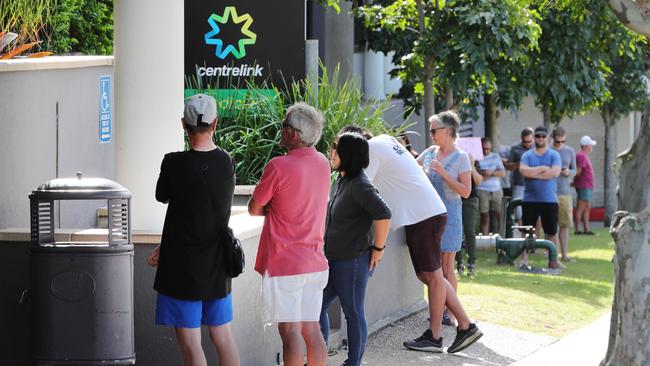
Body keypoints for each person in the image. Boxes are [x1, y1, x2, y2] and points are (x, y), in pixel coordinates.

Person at [348, 117, 483, 354]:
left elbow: (359, 186)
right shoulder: (387, 140)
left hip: (423, 216)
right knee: (430, 276)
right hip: (426, 213)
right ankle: (465, 325)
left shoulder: (370, 150)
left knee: (432, 277)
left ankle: (437, 336)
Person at [148, 94, 240, 366]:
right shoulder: (227, 162)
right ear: (215, 123)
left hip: (182, 265)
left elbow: (162, 196)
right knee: (223, 337)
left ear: (183, 125)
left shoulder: (174, 163)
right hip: (218, 263)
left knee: (190, 344)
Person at [248, 102, 330, 366]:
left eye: (284, 126)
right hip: (315, 261)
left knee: (290, 331)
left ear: (294, 134)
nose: (280, 131)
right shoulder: (322, 163)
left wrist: (273, 209)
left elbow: (254, 208)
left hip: (286, 264)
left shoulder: (278, 166)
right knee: (312, 329)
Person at [319, 132, 392, 366]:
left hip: (351, 261)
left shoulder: (360, 185)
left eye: (336, 148)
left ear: (348, 155)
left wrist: (378, 249)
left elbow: (384, 213)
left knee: (353, 313)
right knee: (317, 306)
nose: (332, 152)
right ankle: (317, 356)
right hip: (335, 259)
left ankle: (353, 363)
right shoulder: (342, 179)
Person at [417, 112, 472, 326]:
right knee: (434, 266)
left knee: (446, 265)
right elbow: (413, 168)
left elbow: (466, 192)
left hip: (450, 215)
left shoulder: (461, 158)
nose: (431, 134)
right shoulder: (430, 153)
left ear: (447, 131)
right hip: (430, 214)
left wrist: (445, 175)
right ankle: (439, 311)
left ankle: (449, 313)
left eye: (434, 130)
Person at [519, 126, 561, 269]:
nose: (540, 139)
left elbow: (555, 173)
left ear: (548, 137)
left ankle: (554, 260)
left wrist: (534, 173)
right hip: (530, 200)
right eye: (537, 136)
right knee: (526, 231)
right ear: (534, 137)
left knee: (551, 232)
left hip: (549, 200)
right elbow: (524, 171)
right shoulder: (527, 155)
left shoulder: (554, 155)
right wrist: (543, 168)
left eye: (543, 136)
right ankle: (523, 260)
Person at [551, 126, 576, 262]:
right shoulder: (548, 151)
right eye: (557, 142)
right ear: (553, 138)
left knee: (564, 224)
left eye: (563, 141)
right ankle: (552, 254)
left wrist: (568, 172)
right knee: (551, 225)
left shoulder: (570, 151)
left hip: (565, 192)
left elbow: (574, 170)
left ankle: (565, 254)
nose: (560, 144)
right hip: (550, 191)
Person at [456, 152, 483, 276]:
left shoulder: (474, 161)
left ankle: (471, 263)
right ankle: (458, 263)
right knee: (456, 231)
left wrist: (471, 165)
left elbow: (478, 181)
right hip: (455, 198)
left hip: (470, 200)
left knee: (470, 231)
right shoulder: (454, 158)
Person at [476, 137, 506, 235]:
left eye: (488, 149)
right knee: (484, 215)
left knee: (498, 214)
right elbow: (477, 177)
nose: (486, 151)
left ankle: (498, 236)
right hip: (482, 190)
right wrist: (485, 175)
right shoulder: (476, 159)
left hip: (496, 190)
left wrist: (491, 173)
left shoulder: (495, 157)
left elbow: (503, 173)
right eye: (484, 149)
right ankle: (484, 238)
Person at [506, 128, 534, 229]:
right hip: (519, 184)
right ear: (521, 139)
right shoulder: (515, 148)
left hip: (534, 183)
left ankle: (535, 238)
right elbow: (508, 166)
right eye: (525, 142)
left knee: (535, 212)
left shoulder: (536, 148)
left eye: (529, 142)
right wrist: (520, 163)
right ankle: (522, 239)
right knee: (519, 212)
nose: (527, 144)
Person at [574, 136, 597, 235]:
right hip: (584, 185)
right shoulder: (581, 155)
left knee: (587, 207)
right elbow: (578, 171)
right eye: (590, 145)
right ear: (586, 146)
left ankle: (586, 229)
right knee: (581, 207)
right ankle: (577, 229)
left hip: (587, 185)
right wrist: (574, 181)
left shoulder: (584, 155)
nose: (591, 146)